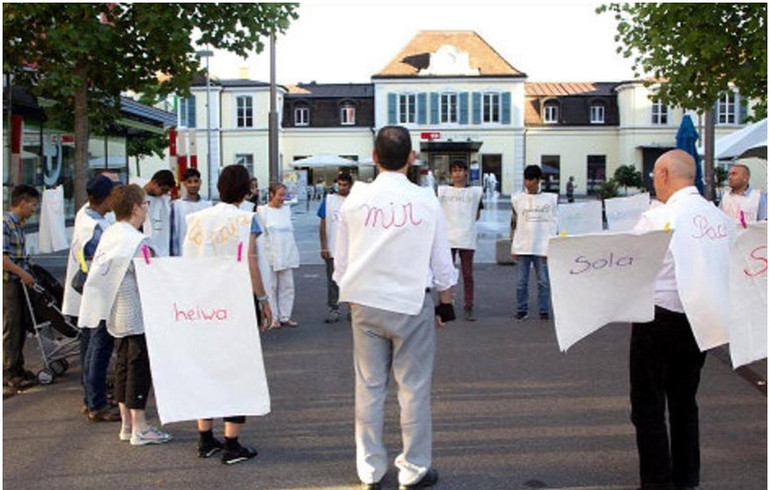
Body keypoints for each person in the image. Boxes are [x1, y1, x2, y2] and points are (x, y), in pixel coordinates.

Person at [334, 126, 457, 490]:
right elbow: (442, 262)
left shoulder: (353, 200)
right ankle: (414, 469)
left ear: (374, 157)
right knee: (413, 388)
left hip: (365, 302)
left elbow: (341, 264)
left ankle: (370, 470)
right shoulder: (426, 200)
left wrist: (351, 292)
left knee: (369, 387)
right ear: (411, 158)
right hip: (409, 301)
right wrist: (445, 304)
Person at [631, 149, 733, 490]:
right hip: (699, 318)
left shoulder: (657, 217)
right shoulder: (717, 216)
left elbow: (634, 267)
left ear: (662, 173)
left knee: (648, 405)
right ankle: (687, 477)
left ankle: (657, 480)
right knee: (685, 401)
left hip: (657, 317)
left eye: (654, 177)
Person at [183, 164, 273, 464]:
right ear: (245, 189)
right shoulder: (246, 219)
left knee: (204, 368)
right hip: (234, 302)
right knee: (236, 370)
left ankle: (205, 438)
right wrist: (262, 299)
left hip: (201, 302)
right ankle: (232, 443)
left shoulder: (196, 220)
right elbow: (250, 261)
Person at [79, 184, 172, 446]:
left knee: (121, 367)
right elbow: (154, 273)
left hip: (114, 312)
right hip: (137, 314)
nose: (146, 209)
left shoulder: (111, 234)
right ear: (134, 208)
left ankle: (126, 424)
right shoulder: (137, 241)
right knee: (137, 369)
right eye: (145, 205)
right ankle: (140, 427)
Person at [62, 175, 122, 421]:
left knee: (89, 346)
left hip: (88, 292)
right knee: (98, 348)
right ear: (106, 198)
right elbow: (111, 255)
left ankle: (91, 399)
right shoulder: (96, 227)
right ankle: (96, 404)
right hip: (99, 291)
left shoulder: (84, 216)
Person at [3, 185, 40, 391]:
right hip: (8, 281)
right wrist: (22, 273)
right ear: (23, 202)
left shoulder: (18, 224)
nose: (34, 209)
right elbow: (3, 258)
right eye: (33, 205)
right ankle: (8, 372)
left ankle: (17, 367)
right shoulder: (5, 223)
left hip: (19, 282)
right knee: (11, 325)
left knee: (20, 326)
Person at [437, 161, 483, 321]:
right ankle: (445, 302)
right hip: (448, 238)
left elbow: (477, 214)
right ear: (451, 174)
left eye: (460, 170)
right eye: (454, 171)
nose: (457, 174)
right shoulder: (443, 192)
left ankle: (468, 305)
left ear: (465, 173)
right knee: (445, 272)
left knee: (467, 274)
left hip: (466, 238)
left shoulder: (474, 193)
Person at [511, 165, 557, 321]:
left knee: (543, 281)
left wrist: (551, 246)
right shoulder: (517, 199)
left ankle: (544, 310)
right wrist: (514, 245)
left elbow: (553, 223)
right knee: (521, 282)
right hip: (523, 245)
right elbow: (514, 223)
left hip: (541, 245)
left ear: (538, 180)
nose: (528, 183)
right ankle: (521, 309)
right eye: (526, 179)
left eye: (531, 179)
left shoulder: (549, 200)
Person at [258, 182, 300, 329]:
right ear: (271, 194)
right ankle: (273, 317)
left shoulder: (286, 210)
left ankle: (285, 316)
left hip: (286, 252)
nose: (283, 198)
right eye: (280, 195)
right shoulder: (262, 211)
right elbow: (261, 235)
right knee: (271, 286)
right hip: (270, 253)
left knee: (287, 286)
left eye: (284, 195)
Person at [317, 172, 353, 323]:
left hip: (352, 248)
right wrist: (324, 246)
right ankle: (334, 308)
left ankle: (353, 308)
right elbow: (323, 224)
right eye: (339, 184)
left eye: (345, 184)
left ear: (350, 185)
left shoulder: (356, 200)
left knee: (352, 279)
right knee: (333, 280)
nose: (342, 187)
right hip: (333, 248)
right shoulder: (329, 200)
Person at [170, 167, 211, 256]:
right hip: (182, 253)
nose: (193, 185)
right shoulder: (177, 206)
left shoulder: (208, 206)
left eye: (196, 181)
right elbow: (173, 233)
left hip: (203, 253)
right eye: (189, 182)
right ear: (184, 183)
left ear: (200, 182)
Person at [142, 169, 175, 257]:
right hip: (144, 248)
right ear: (154, 182)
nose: (164, 193)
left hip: (163, 251)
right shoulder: (138, 196)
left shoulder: (165, 200)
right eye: (163, 189)